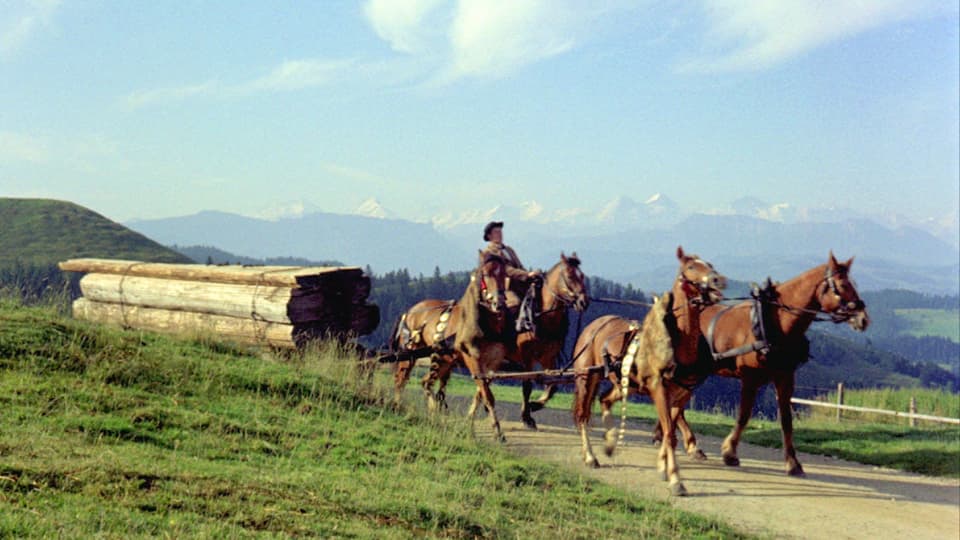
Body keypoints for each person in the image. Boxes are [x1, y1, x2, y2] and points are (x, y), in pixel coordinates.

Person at [481, 221, 541, 333]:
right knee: (515, 303)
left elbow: (519, 266)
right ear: (489, 236)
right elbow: (507, 270)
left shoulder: (509, 250)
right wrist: (526, 275)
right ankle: (511, 333)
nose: (500, 234)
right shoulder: (489, 253)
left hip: (520, 284)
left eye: (500, 231)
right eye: (496, 232)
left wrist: (530, 276)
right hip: (504, 287)